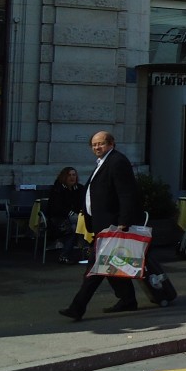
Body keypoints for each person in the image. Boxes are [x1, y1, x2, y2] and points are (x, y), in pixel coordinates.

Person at [59, 131, 142, 321]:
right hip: (101, 224)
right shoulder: (104, 162)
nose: (97, 147)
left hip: (112, 225)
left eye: (101, 144)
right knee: (111, 264)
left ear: (111, 143)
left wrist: (123, 221)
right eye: (94, 144)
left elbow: (126, 193)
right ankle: (128, 300)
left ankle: (77, 307)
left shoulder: (117, 161)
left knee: (95, 268)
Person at [44, 166, 84, 264]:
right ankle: (88, 252)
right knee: (85, 224)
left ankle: (65, 256)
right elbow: (57, 208)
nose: (72, 177)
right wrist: (73, 214)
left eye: (74, 175)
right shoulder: (57, 189)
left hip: (73, 219)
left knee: (76, 226)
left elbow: (83, 203)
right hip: (58, 219)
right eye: (69, 175)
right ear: (64, 177)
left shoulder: (79, 188)